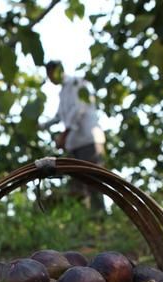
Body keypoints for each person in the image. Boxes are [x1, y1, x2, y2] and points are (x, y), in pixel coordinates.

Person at [40, 60, 106, 211]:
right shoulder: (63, 91)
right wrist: (43, 125)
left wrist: (64, 135)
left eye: (50, 75)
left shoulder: (76, 84)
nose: (50, 79)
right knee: (78, 186)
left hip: (88, 140)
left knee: (94, 182)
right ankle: (86, 222)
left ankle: (101, 220)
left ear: (58, 71)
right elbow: (59, 116)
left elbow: (78, 110)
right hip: (74, 144)